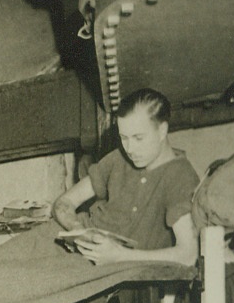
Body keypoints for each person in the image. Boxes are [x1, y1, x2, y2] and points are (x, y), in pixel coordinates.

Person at [51, 87, 200, 266]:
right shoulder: (118, 158)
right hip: (72, 239)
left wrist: (119, 256)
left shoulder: (180, 176)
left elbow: (188, 255)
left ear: (162, 131)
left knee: (23, 281)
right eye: (124, 138)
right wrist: (78, 230)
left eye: (138, 138)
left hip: (108, 266)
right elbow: (64, 203)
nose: (130, 149)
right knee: (12, 258)